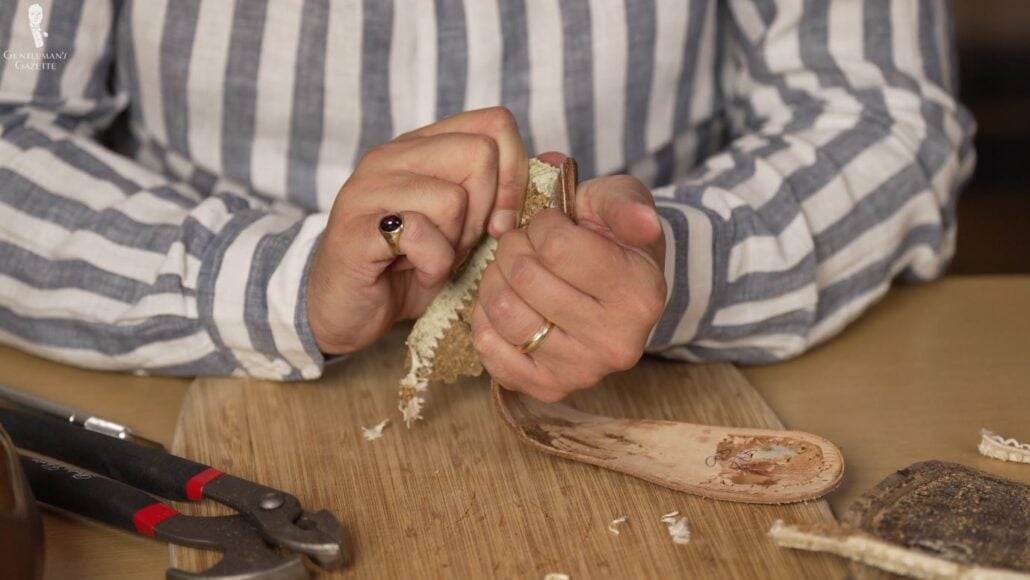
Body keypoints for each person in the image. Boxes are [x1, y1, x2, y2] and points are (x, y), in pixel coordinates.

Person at [0, 1, 973, 403]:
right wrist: (280, 278)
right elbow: (13, 119)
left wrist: (677, 256)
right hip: (187, 387)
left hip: (656, 390)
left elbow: (877, 107)